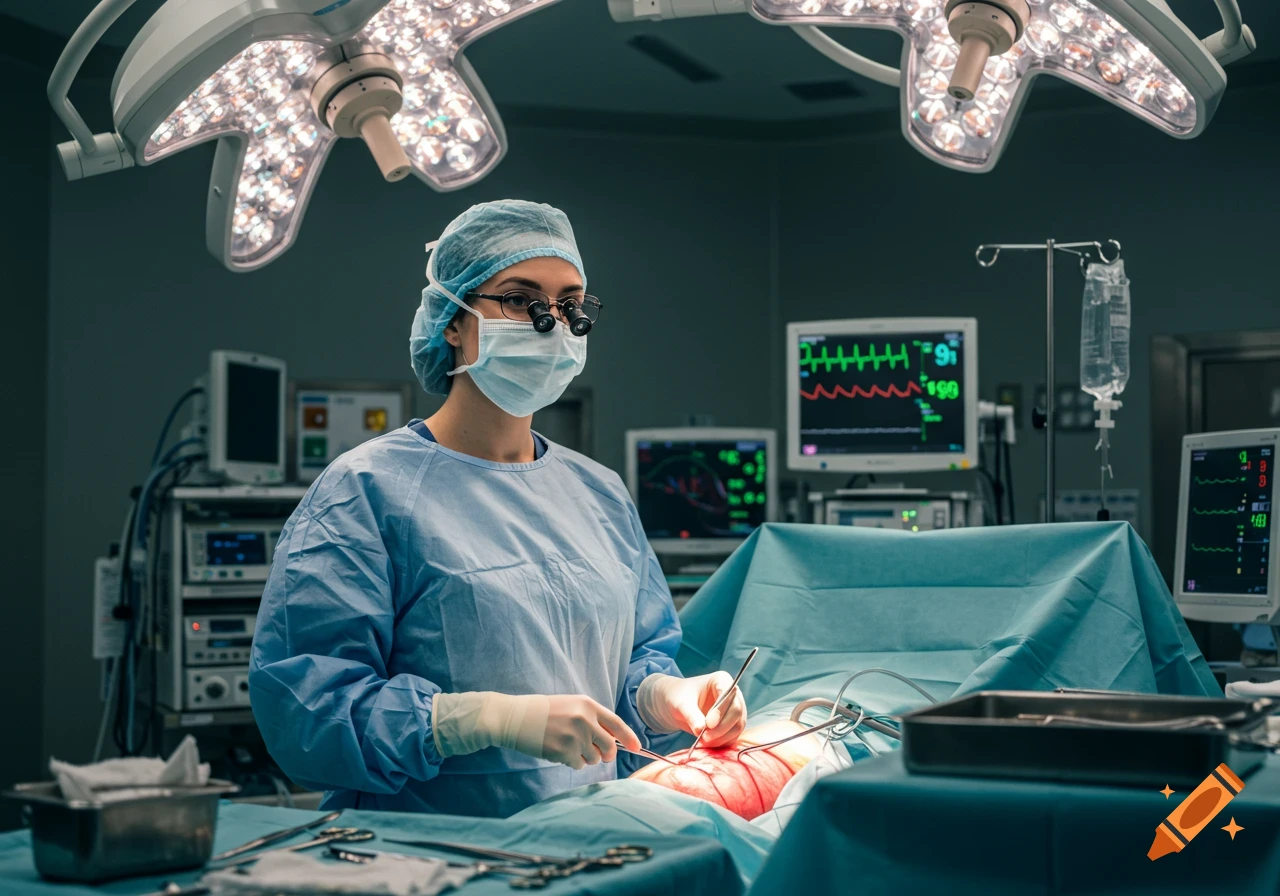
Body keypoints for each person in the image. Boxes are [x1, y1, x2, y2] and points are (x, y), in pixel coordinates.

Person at [249, 200, 747, 816]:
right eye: (519, 298)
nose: (552, 322)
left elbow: (627, 661)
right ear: (452, 321)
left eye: (570, 304)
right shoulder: (365, 492)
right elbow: (308, 712)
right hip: (429, 858)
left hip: (588, 842)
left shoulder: (598, 493)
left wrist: (662, 696)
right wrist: (478, 719)